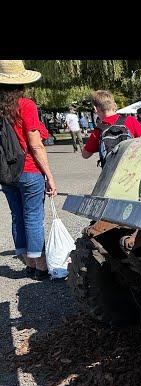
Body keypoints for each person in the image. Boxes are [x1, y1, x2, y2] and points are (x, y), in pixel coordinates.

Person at [0, 60, 57, 280]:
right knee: (33, 216)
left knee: (17, 216)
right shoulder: (26, 105)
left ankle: (28, 262)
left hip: (6, 171)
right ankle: (40, 266)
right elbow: (35, 144)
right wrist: (49, 176)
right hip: (29, 169)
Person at [81, 90, 141, 163]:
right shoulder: (130, 120)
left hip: (111, 172)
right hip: (132, 169)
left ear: (96, 109)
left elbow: (85, 155)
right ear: (114, 105)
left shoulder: (99, 130)